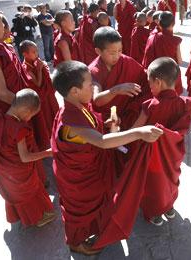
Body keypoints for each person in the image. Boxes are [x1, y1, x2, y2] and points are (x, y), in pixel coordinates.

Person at [51, 60, 163, 254]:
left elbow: (92, 131)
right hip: (79, 179)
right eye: (89, 85)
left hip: (91, 168)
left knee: (96, 204)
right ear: (75, 91)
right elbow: (102, 141)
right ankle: (76, 243)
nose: (93, 88)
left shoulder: (78, 106)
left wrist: (106, 123)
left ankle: (93, 229)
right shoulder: (71, 120)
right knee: (80, 212)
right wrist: (139, 132)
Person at [132, 57, 191, 225]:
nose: (149, 88)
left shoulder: (149, 105)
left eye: (150, 84)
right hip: (174, 155)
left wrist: (117, 132)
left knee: (153, 184)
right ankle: (169, 206)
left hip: (152, 157)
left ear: (158, 82)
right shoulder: (186, 103)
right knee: (171, 181)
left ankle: (155, 213)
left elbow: (135, 131)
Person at [0, 88, 56, 227]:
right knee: (28, 193)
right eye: (31, 115)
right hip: (18, 172)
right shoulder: (19, 129)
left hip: (3, 169)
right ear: (26, 111)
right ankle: (36, 218)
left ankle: (21, 215)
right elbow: (25, 157)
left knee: (15, 193)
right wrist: (48, 153)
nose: (29, 119)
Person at [89, 27, 150, 130]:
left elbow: (144, 78)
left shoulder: (126, 61)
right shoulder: (94, 70)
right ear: (98, 51)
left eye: (120, 50)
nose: (117, 56)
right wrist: (116, 90)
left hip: (127, 111)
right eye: (112, 53)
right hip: (105, 118)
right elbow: (97, 100)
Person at [20, 40, 59, 149]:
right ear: (25, 54)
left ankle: (56, 136)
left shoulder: (35, 62)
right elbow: (37, 83)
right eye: (33, 52)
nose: (37, 53)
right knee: (44, 120)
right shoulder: (26, 68)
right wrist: (40, 70)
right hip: (40, 99)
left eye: (37, 51)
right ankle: (47, 143)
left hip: (47, 97)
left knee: (53, 115)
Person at [143, 11, 183, 95]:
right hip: (171, 79)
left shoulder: (152, 38)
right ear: (173, 24)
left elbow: (147, 62)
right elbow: (179, 62)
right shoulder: (175, 41)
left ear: (159, 24)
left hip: (156, 78)